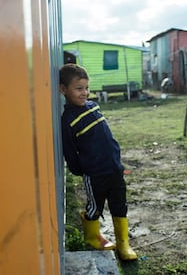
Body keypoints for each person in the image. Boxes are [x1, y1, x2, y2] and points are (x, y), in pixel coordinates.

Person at [59, 63, 137, 261]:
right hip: (94, 174)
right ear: (63, 90)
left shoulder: (94, 106)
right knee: (95, 207)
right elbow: (69, 150)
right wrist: (81, 169)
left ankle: (123, 245)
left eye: (86, 88)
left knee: (120, 204)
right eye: (79, 89)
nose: (85, 92)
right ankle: (93, 237)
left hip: (114, 168)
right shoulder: (67, 119)